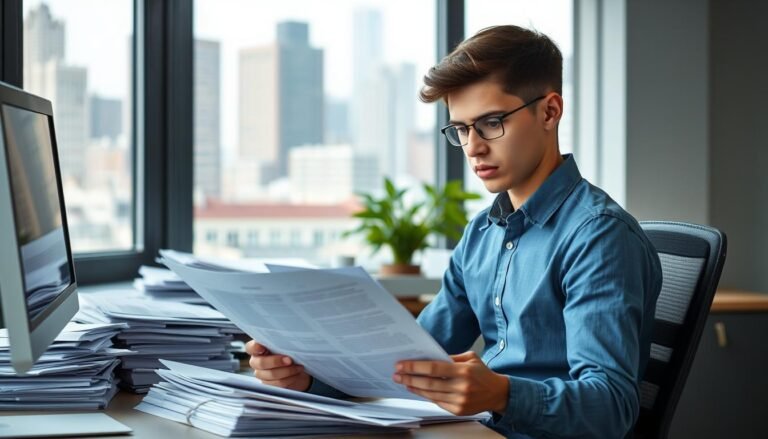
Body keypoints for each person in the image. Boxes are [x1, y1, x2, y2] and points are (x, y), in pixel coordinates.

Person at [246, 25, 662, 438]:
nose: (474, 147)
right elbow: (410, 359)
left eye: (492, 122)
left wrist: (501, 394)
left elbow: (611, 408)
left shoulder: (598, 237)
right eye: (461, 129)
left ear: (549, 111)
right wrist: (307, 380)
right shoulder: (482, 233)